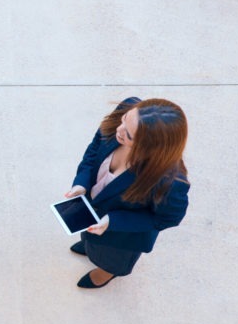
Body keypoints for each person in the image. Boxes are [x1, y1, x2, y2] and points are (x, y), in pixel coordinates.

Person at [64, 97, 189, 288]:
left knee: (110, 259)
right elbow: (94, 150)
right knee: (91, 241)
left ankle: (106, 273)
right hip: (92, 214)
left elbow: (168, 219)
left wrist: (113, 221)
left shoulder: (171, 182)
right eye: (124, 119)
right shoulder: (127, 110)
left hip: (121, 239)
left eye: (129, 135)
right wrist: (81, 184)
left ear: (151, 147)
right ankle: (90, 246)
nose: (118, 130)